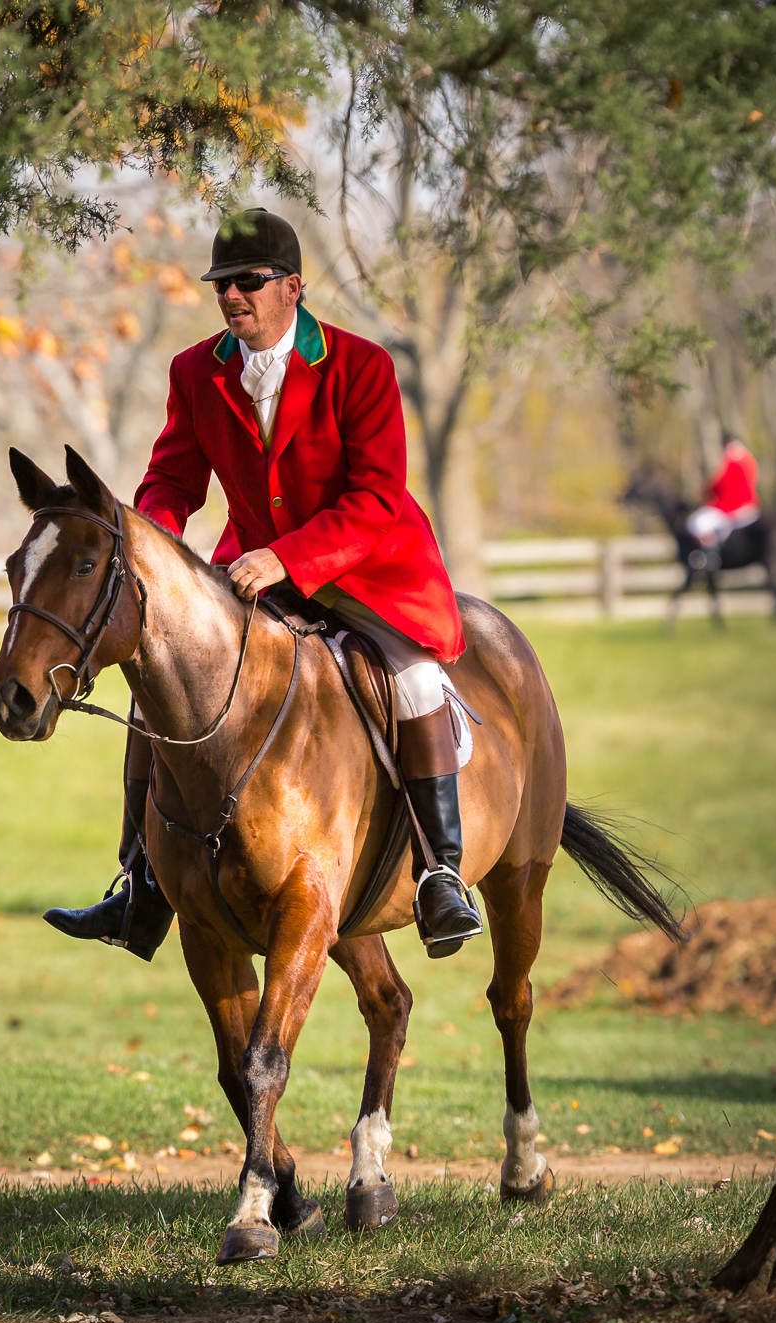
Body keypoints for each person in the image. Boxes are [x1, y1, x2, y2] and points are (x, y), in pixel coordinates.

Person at [42, 208, 485, 960]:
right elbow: (172, 476)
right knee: (161, 680)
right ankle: (141, 883)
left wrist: (286, 557)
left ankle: (442, 872)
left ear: (293, 288)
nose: (232, 295)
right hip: (253, 577)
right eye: (222, 284)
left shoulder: (362, 366)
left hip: (368, 571)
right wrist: (155, 541)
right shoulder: (195, 370)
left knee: (412, 681)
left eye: (249, 282)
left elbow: (377, 497)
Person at [686, 435, 762, 550]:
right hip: (751, 503)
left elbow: (723, 482)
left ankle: (709, 554)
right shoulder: (749, 458)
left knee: (696, 521)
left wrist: (706, 490)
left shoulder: (732, 459)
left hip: (732, 505)